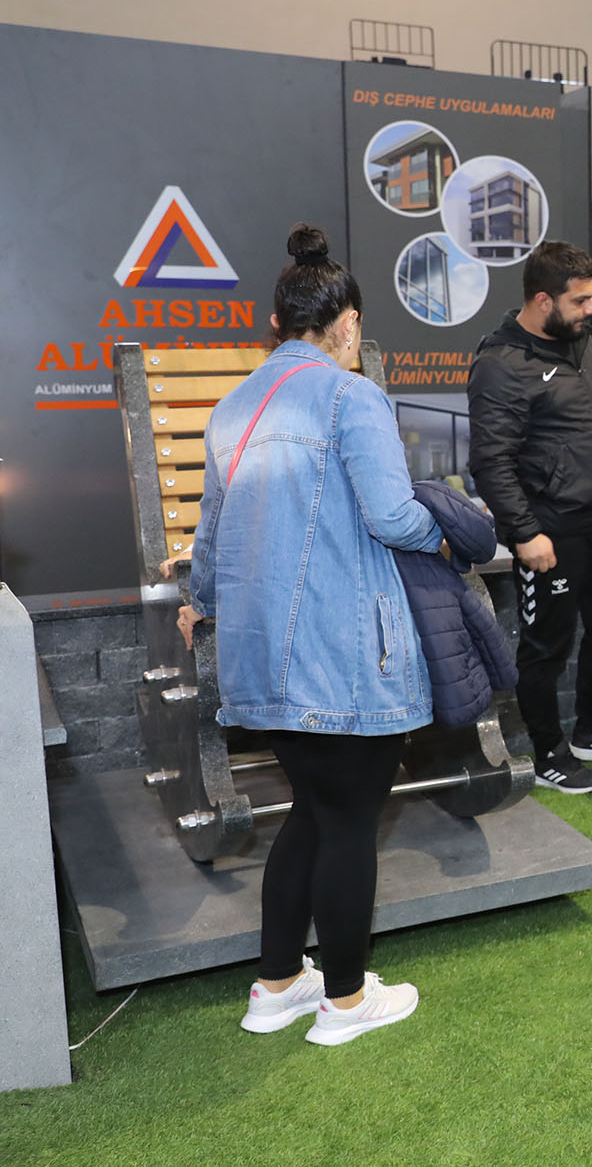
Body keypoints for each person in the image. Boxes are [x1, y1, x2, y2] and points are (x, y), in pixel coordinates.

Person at [183, 223, 439, 1046]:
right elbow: (393, 515)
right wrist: (450, 530)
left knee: (312, 813)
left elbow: (209, 539)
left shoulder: (233, 407)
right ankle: (346, 1000)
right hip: (342, 653)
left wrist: (199, 603)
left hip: (261, 655)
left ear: (276, 323)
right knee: (349, 821)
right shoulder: (350, 395)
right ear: (349, 323)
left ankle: (276, 984)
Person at [468, 240, 592, 794]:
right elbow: (491, 461)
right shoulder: (501, 364)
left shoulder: (583, 344)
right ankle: (549, 753)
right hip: (551, 533)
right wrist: (526, 534)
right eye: (581, 301)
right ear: (543, 300)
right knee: (546, 647)